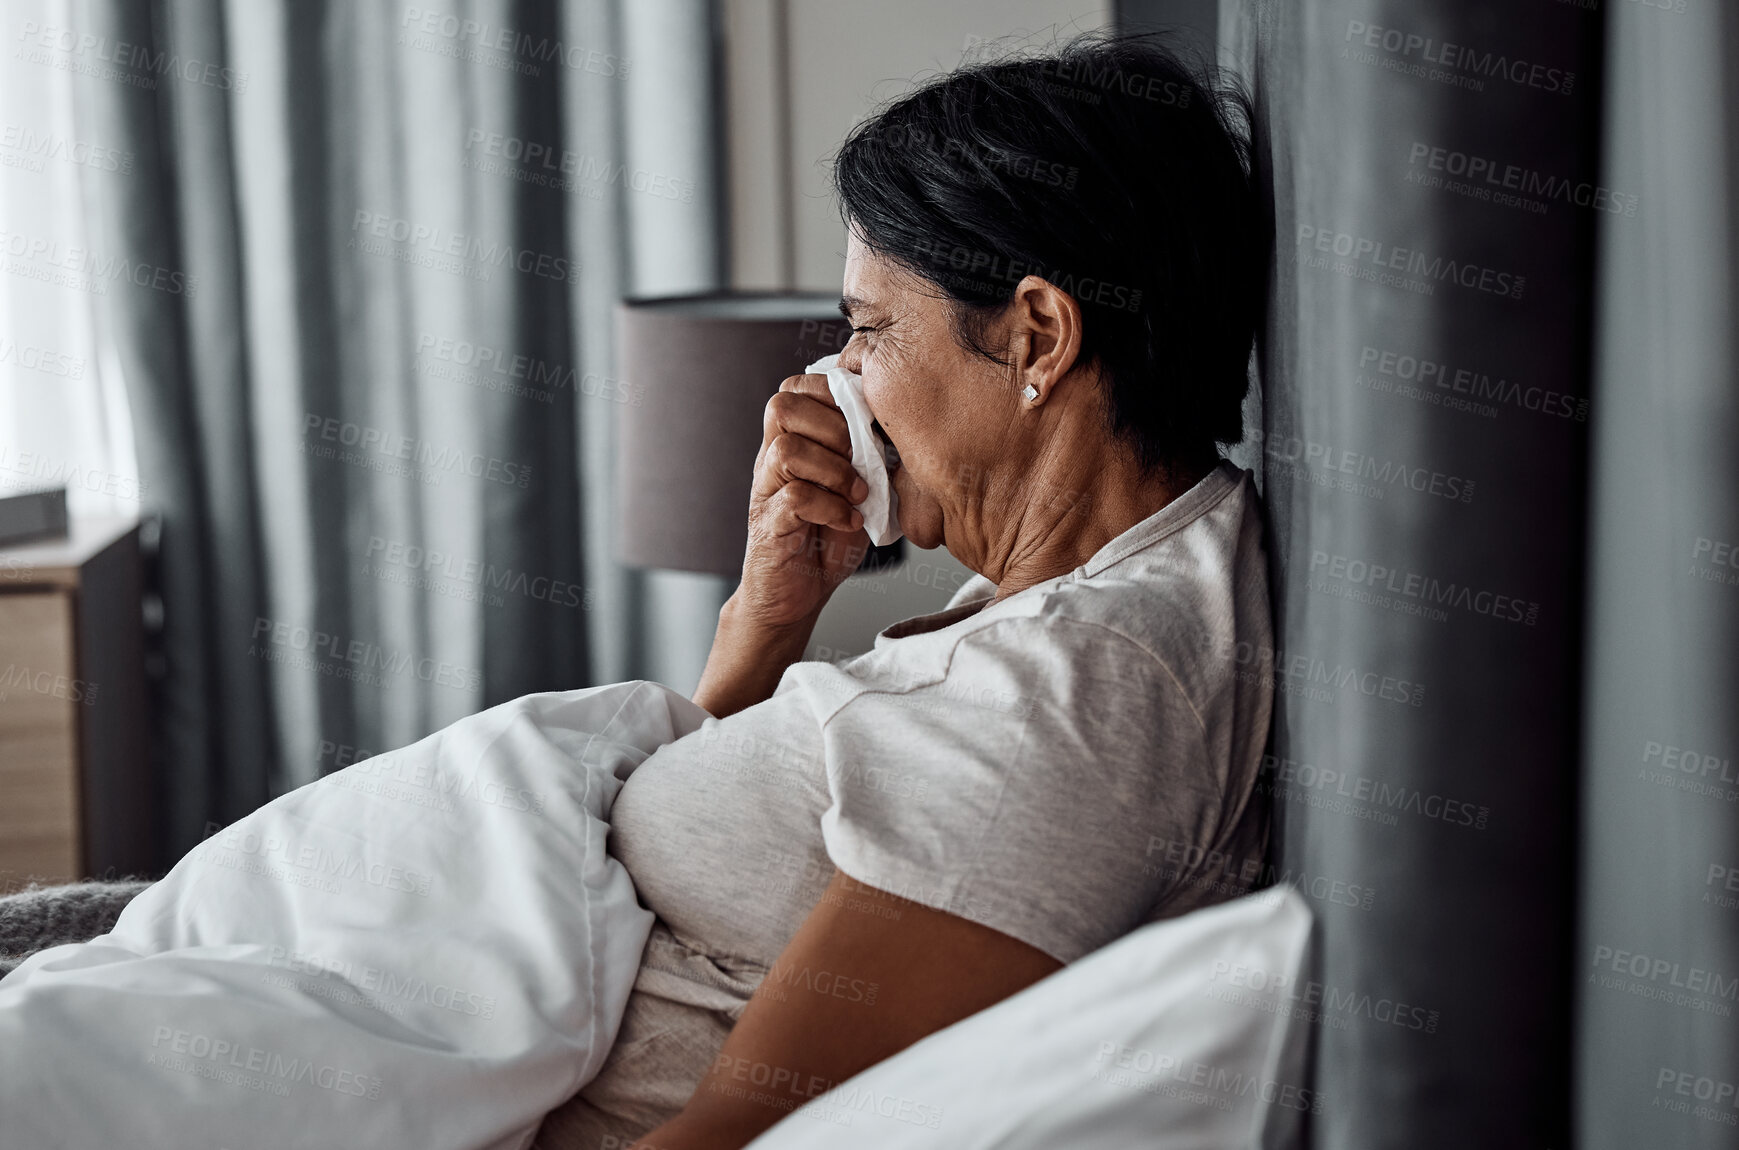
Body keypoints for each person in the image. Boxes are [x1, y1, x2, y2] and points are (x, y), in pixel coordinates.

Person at [534, 29, 1273, 1150]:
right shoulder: (1065, 594)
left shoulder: (1070, 695)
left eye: (869, 330)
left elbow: (733, 1131)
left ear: (1036, 336)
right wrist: (767, 619)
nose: (840, 386)